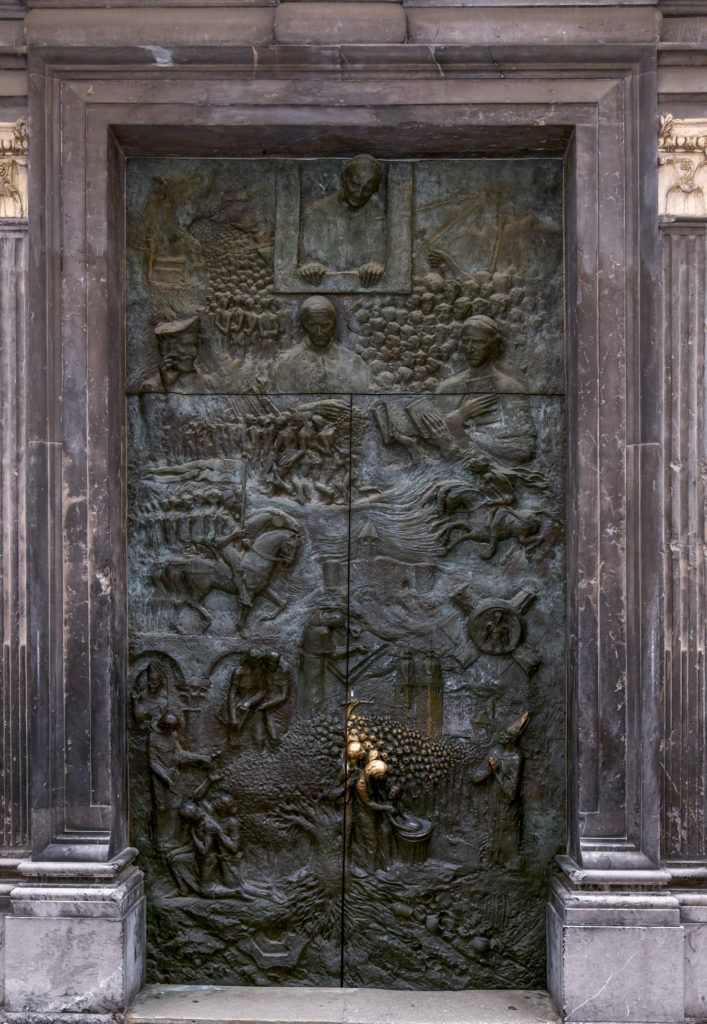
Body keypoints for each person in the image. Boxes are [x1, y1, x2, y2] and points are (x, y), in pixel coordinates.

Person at [437, 315, 536, 464]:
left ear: (494, 346)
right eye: (466, 341)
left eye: (478, 342)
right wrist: (459, 416)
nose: (470, 349)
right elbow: (434, 445)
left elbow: (523, 449)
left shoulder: (509, 388)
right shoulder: (448, 388)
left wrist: (463, 433)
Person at [298, 155, 386, 288]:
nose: (359, 193)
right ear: (344, 179)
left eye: (367, 189)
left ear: (375, 190)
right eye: (355, 185)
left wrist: (375, 266)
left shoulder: (378, 219)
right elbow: (305, 257)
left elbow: (380, 258)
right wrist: (309, 266)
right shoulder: (316, 212)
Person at [273, 295, 371, 393]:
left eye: (325, 325)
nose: (319, 332)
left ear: (334, 324)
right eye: (312, 325)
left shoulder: (354, 363)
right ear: (303, 326)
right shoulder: (286, 364)